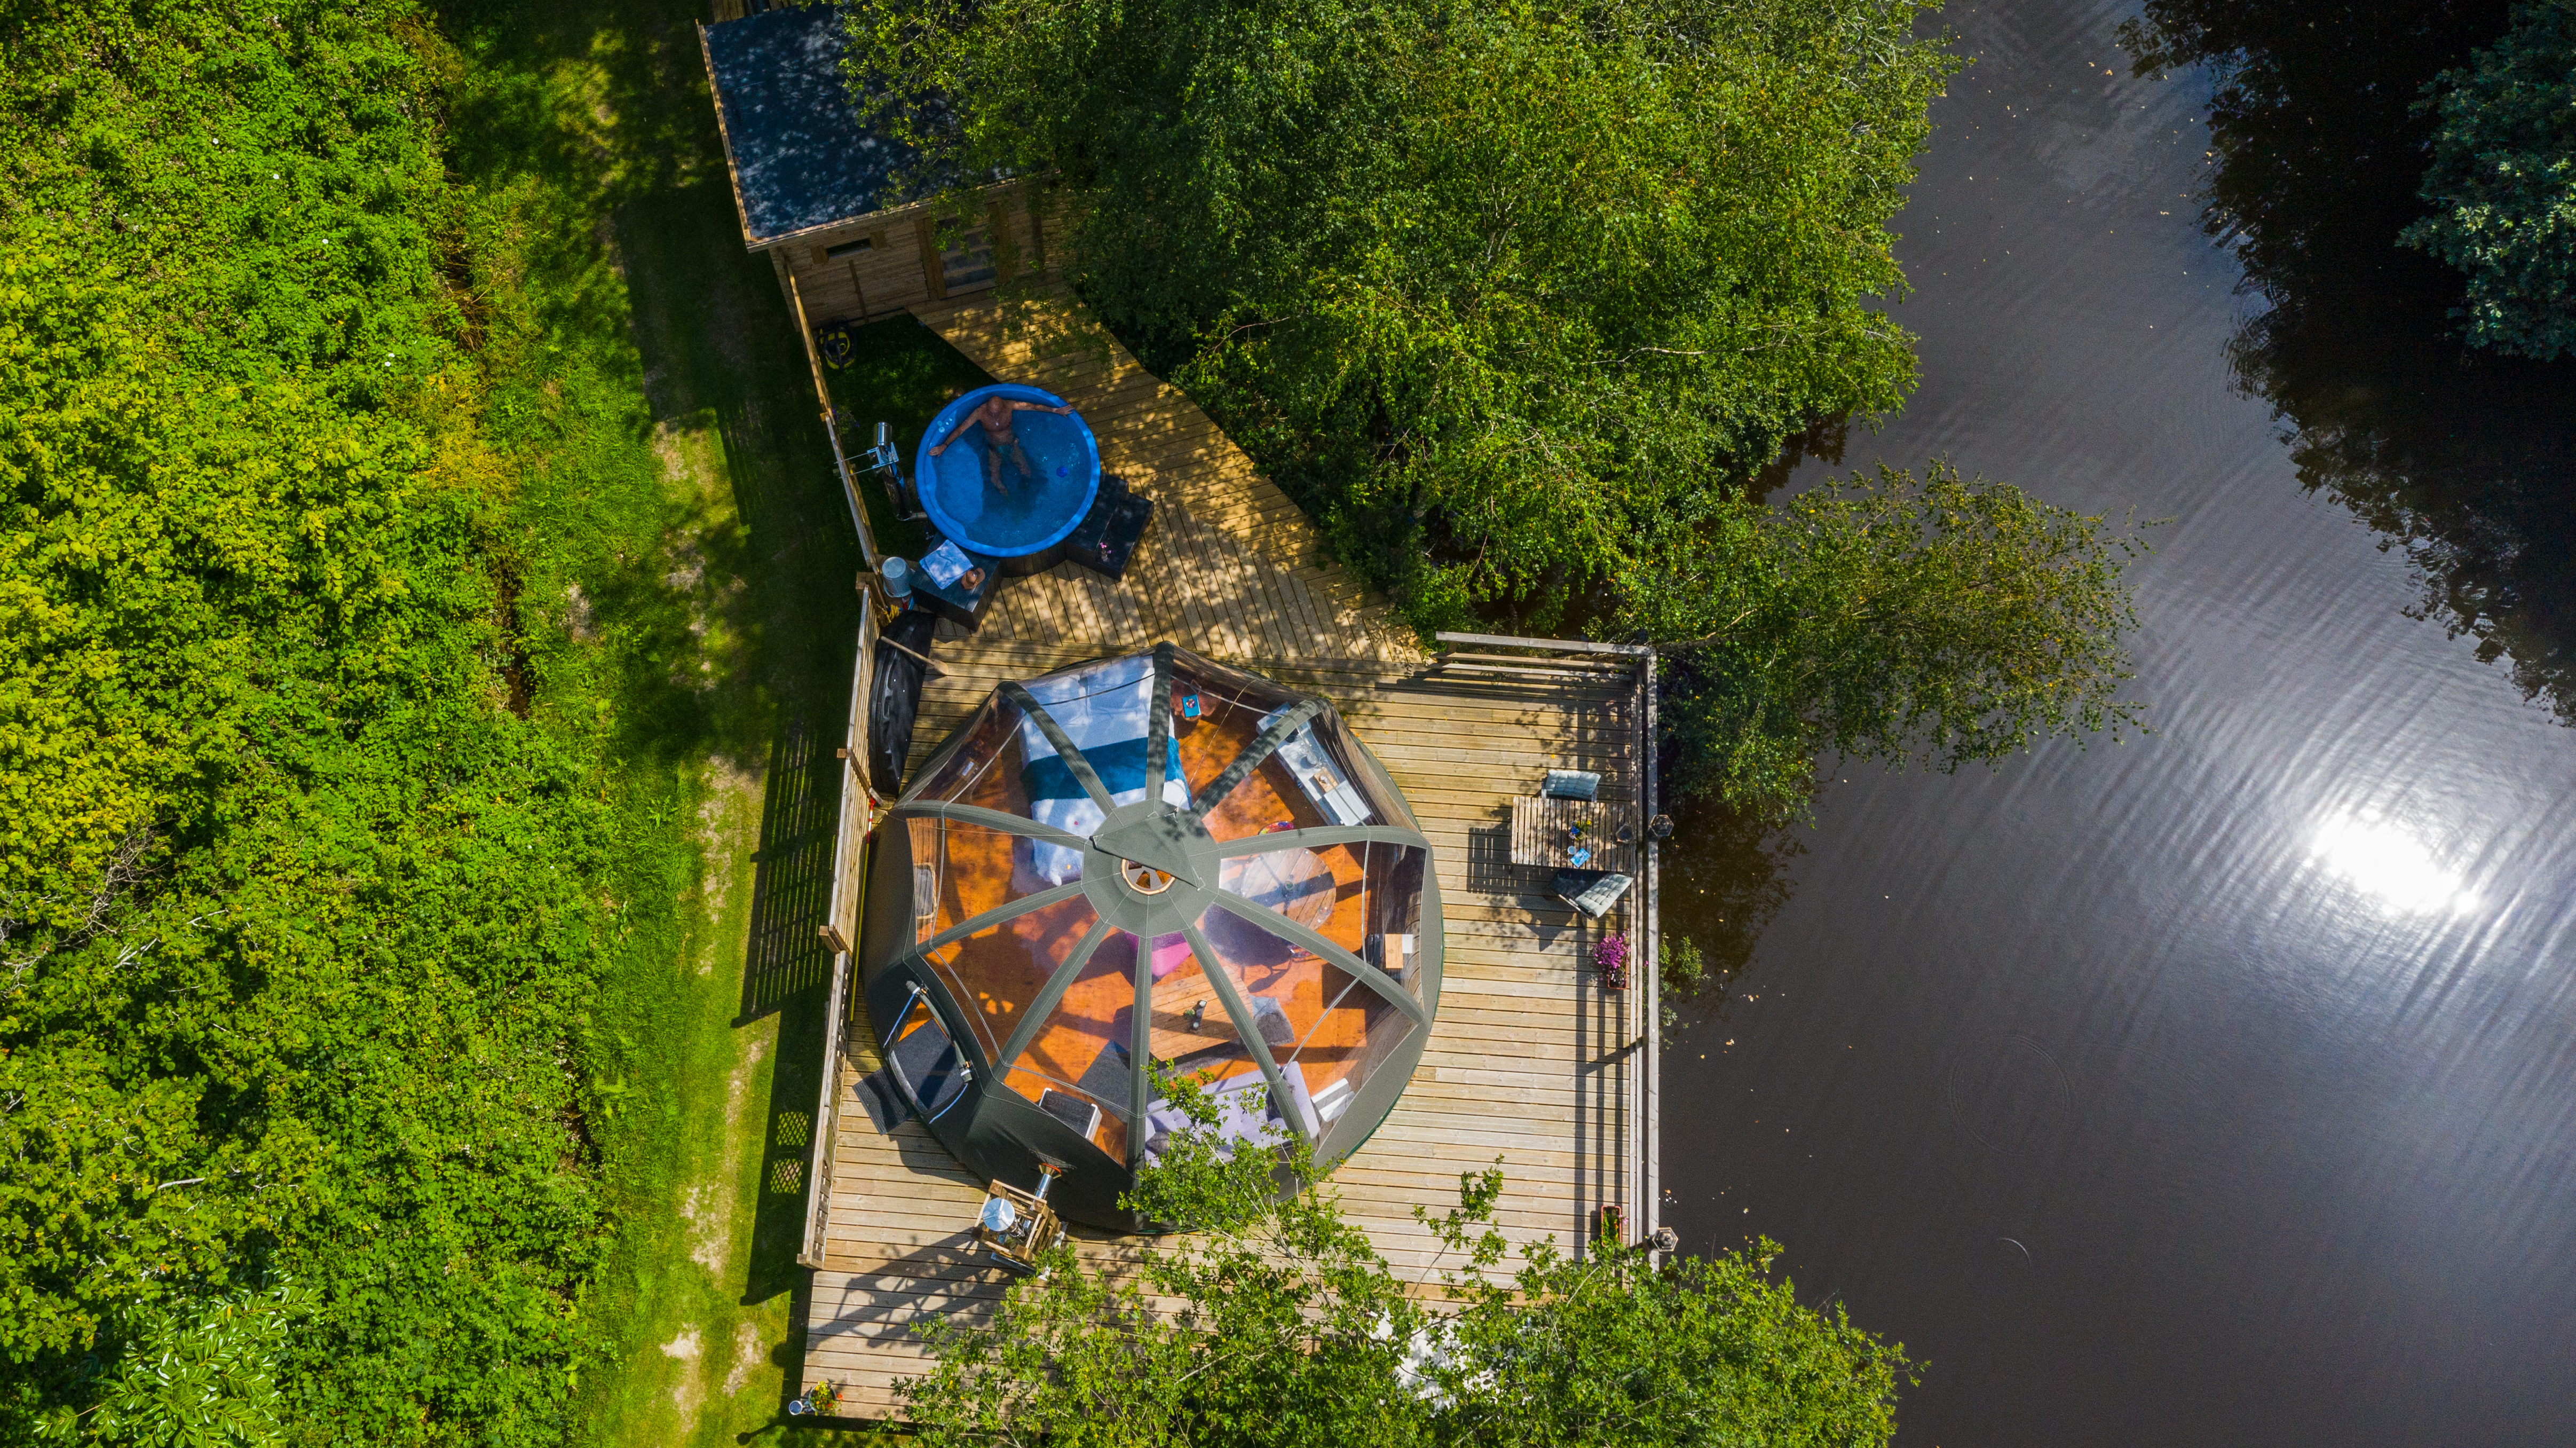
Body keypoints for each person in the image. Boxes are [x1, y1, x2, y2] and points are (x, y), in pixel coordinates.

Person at [928, 392, 1072, 498]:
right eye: (991, 413)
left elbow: (1034, 407)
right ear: (987, 408)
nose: (994, 416)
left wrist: (1056, 411)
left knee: (1027, 472)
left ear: (1003, 405)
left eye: (997, 413)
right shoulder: (979, 412)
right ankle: (1009, 501)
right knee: (995, 480)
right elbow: (960, 429)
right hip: (994, 449)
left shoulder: (1010, 405)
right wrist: (945, 445)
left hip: (1012, 444)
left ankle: (1027, 494)